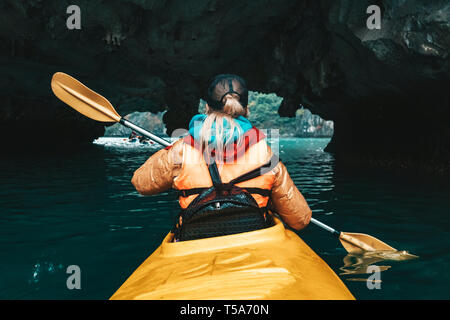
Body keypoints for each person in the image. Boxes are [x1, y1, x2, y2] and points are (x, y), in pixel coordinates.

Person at [131, 74, 311, 239]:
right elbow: (300, 219)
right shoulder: (266, 153)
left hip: (196, 242)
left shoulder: (182, 150)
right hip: (253, 241)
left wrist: (171, 151)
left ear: (207, 107)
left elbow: (141, 183)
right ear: (246, 109)